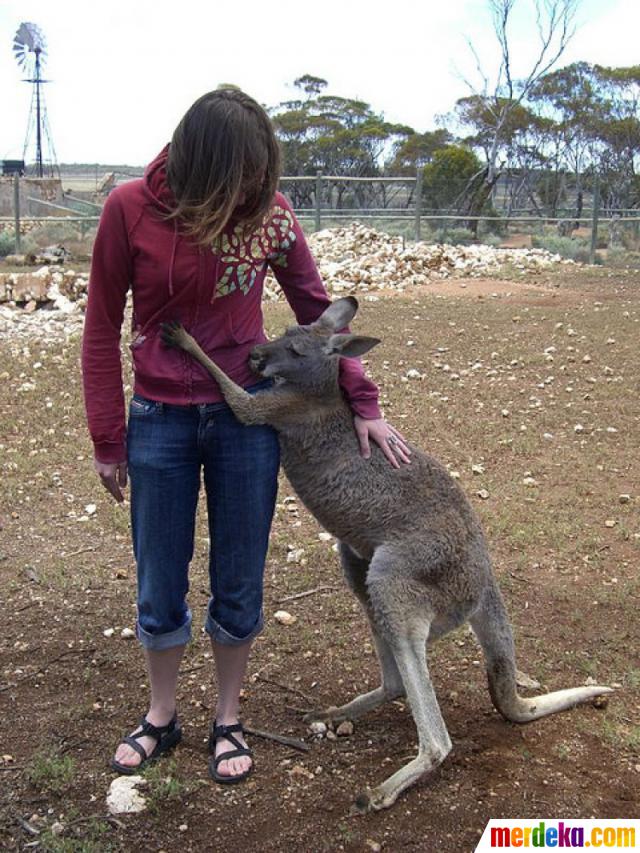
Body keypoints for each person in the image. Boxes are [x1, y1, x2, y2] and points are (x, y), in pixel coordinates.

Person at [81, 88, 411, 784]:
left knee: (238, 575)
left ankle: (227, 717)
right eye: (247, 177)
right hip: (159, 421)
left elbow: (321, 317)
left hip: (245, 422)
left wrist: (365, 401)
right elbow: (100, 326)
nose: (260, 190)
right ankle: (162, 715)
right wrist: (108, 437)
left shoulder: (271, 218)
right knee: (159, 576)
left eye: (266, 177)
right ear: (206, 167)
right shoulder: (128, 210)